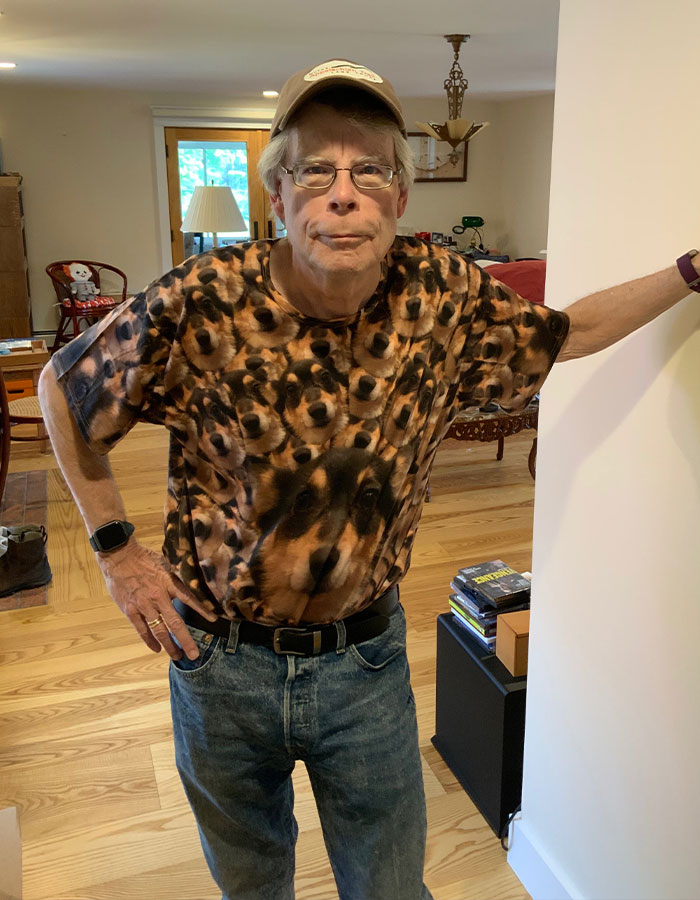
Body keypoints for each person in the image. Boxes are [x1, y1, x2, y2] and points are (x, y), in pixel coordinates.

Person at [38, 58, 700, 900]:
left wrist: (689, 269)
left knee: (390, 888)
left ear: (400, 198)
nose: (341, 194)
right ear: (277, 194)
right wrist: (117, 553)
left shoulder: (445, 296)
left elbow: (570, 331)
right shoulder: (199, 300)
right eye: (315, 170)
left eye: (369, 171)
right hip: (218, 661)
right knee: (250, 886)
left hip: (367, 660)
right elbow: (64, 385)